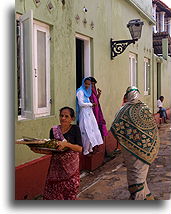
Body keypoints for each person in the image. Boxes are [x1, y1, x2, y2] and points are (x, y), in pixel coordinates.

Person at [110, 86, 160, 200]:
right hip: (146, 151)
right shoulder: (145, 108)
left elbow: (115, 127)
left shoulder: (123, 110)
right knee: (140, 179)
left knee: (136, 179)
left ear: (127, 96)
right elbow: (153, 129)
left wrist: (127, 141)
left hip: (130, 151)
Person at [32, 107, 82, 200]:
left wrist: (66, 144)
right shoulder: (54, 130)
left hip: (71, 169)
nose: (63, 118)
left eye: (66, 116)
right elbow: (52, 150)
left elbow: (79, 148)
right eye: (61, 116)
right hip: (56, 168)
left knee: (70, 192)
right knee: (54, 193)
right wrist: (38, 150)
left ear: (72, 119)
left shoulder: (75, 129)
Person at [76, 77, 103, 155]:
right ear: (83, 83)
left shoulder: (87, 92)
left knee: (92, 130)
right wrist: (90, 104)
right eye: (86, 83)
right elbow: (81, 104)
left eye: (89, 84)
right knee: (85, 131)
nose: (87, 85)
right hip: (84, 114)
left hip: (89, 113)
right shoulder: (80, 91)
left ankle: (90, 148)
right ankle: (85, 150)